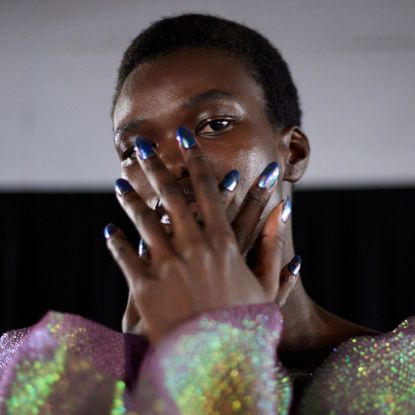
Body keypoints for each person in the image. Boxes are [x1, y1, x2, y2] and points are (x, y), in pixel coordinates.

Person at [1, 13, 414, 414]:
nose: (174, 166)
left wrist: (214, 352)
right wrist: (142, 373)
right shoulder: (58, 378)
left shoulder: (403, 376)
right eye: (135, 150)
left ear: (293, 153)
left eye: (215, 124)